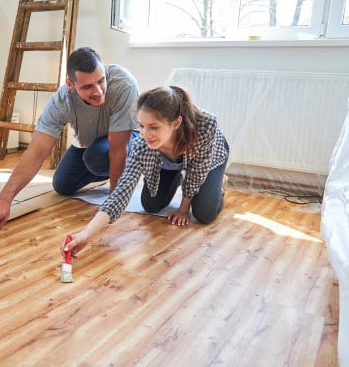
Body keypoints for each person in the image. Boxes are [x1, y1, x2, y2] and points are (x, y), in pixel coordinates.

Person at [62, 85, 229, 260]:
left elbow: (197, 171)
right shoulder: (143, 143)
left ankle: (218, 184)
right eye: (141, 126)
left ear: (176, 123)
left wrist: (183, 208)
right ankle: (176, 176)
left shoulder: (204, 127)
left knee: (204, 213)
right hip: (168, 161)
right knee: (151, 204)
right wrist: (85, 234)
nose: (145, 134)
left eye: (153, 127)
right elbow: (121, 192)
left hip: (209, 159)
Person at [0, 47, 140, 233]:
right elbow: (36, 152)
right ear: (70, 84)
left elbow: (118, 148)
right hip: (88, 143)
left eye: (101, 81)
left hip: (124, 141)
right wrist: (4, 200)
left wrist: (115, 203)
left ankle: (129, 170)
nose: (98, 91)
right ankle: (113, 171)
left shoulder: (124, 84)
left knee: (98, 156)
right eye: (87, 87)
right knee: (63, 185)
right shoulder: (61, 102)